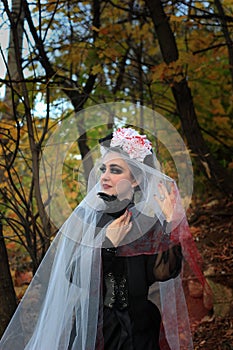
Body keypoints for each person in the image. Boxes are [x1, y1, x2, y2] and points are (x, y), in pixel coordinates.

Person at [0, 127, 209, 350]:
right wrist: (107, 242)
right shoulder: (88, 219)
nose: (105, 176)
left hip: (141, 327)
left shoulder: (148, 222)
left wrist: (170, 224)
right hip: (100, 327)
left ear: (136, 180)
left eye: (115, 170)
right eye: (104, 169)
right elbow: (73, 274)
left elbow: (163, 272)